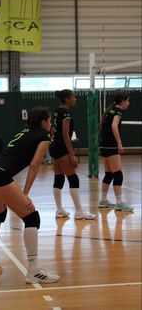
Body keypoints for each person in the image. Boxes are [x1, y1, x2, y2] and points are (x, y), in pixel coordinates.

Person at [0, 107, 60, 284]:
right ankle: (34, 270)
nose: (50, 124)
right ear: (44, 122)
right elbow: (35, 164)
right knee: (32, 218)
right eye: (49, 121)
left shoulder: (24, 131)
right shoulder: (44, 137)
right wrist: (25, 193)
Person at [50, 90, 96, 220]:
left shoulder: (56, 111)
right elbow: (65, 135)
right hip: (61, 148)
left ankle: (59, 210)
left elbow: (52, 131)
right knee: (73, 178)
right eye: (73, 97)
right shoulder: (66, 113)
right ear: (67, 99)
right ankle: (79, 211)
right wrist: (72, 155)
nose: (75, 99)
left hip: (54, 147)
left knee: (59, 178)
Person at [98, 91, 134, 212]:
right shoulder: (118, 112)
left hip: (104, 145)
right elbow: (114, 126)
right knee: (118, 173)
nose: (128, 103)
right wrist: (119, 143)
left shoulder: (109, 111)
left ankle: (103, 200)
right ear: (123, 101)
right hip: (111, 146)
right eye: (128, 101)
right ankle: (119, 203)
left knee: (109, 174)